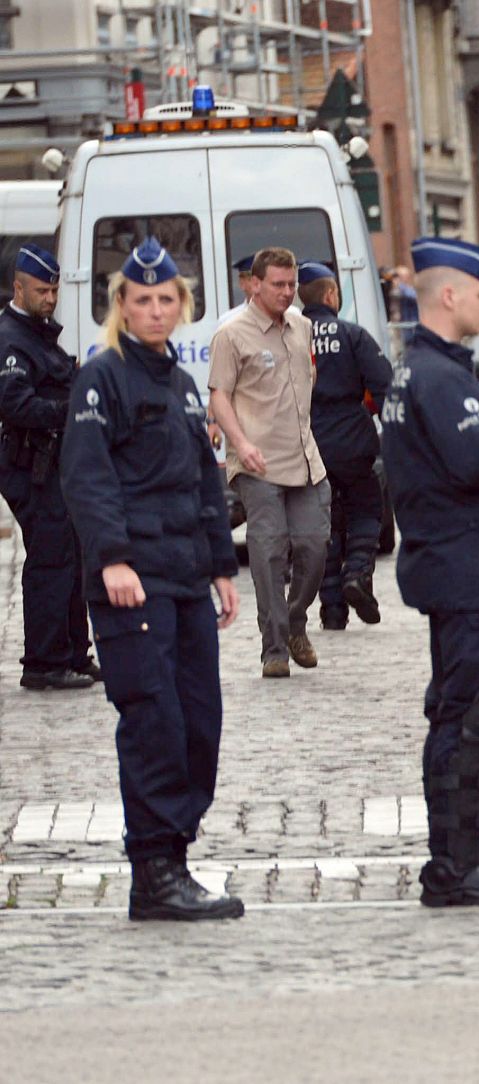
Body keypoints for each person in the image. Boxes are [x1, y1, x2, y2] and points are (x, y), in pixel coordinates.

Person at [59, 237, 246, 921]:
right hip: (130, 583)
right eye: (142, 300)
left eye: (167, 299)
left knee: (200, 722)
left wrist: (222, 567)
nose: (155, 310)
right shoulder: (101, 378)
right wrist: (112, 557)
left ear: (183, 306)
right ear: (122, 307)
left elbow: (203, 478)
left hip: (184, 577)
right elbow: (86, 477)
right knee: (154, 723)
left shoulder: (181, 382)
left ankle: (177, 855)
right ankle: (154, 872)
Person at [380, 236, 479, 908]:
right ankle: (454, 867)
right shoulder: (440, 378)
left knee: (455, 713)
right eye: (477, 293)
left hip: (453, 566)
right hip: (468, 570)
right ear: (447, 296)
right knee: (466, 718)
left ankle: (453, 861)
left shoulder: (419, 371)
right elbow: (474, 463)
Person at [207, 247, 330, 679]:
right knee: (269, 550)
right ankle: (274, 646)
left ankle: (295, 620)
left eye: (292, 284)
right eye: (277, 285)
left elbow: (306, 382)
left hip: (305, 459)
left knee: (314, 546)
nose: (286, 292)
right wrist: (238, 441)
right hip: (257, 462)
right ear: (255, 284)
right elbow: (219, 394)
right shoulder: (232, 334)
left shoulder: (302, 326)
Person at [0, 244, 96, 690]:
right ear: (18, 288)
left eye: (54, 290)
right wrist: (70, 410)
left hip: (55, 462)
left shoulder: (37, 333)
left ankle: (74, 652)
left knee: (71, 557)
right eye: (42, 290)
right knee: (51, 559)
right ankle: (43, 662)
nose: (51, 298)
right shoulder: (11, 339)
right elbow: (17, 405)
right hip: (29, 463)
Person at [298, 262, 392, 630]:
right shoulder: (352, 334)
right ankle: (357, 573)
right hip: (352, 440)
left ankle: (332, 608)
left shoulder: (291, 336)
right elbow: (383, 385)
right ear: (331, 294)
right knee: (367, 507)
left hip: (308, 442)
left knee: (324, 524)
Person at [218, 253, 258, 325]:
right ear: (242, 283)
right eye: (253, 279)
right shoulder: (228, 321)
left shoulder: (283, 318)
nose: (260, 285)